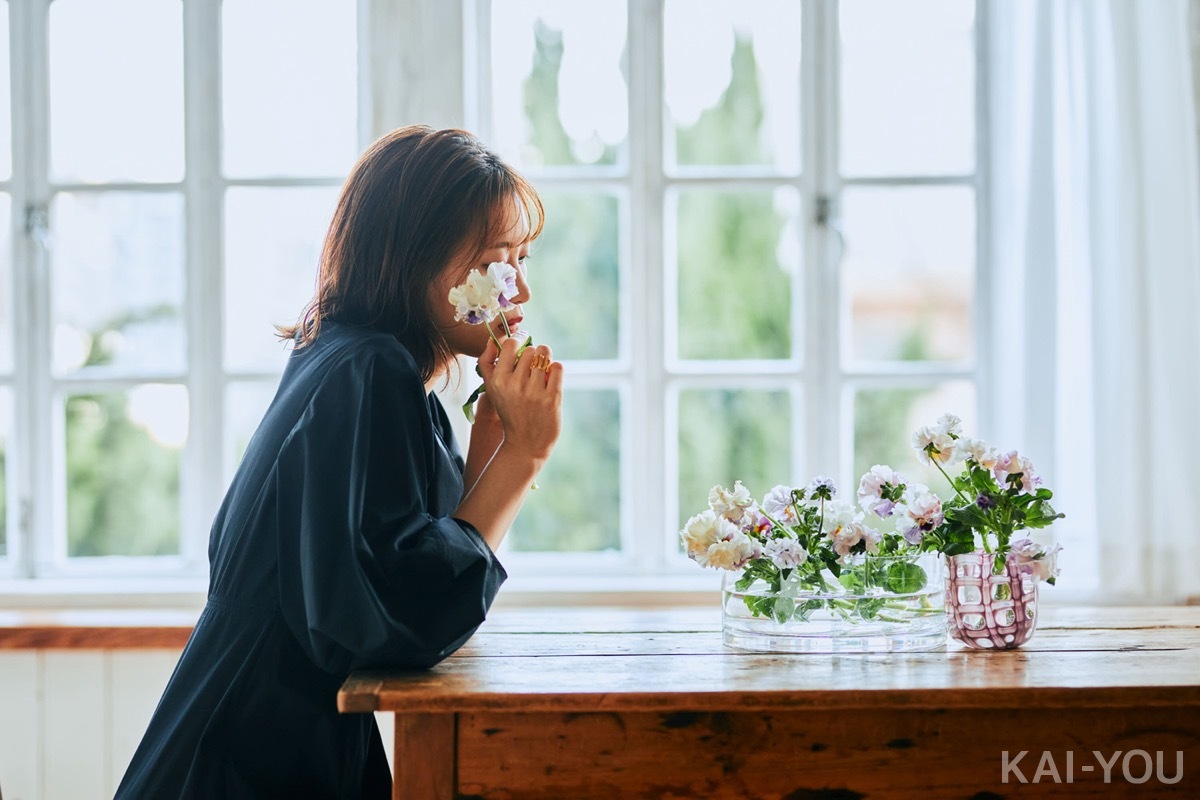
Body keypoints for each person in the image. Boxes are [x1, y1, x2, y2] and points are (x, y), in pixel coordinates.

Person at [115, 126, 562, 798]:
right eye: (500, 261)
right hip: (250, 757)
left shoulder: (352, 359)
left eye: (523, 259)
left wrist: (495, 442)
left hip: (252, 730)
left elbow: (433, 571)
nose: (519, 291)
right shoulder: (369, 370)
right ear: (415, 258)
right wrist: (523, 457)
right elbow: (397, 616)